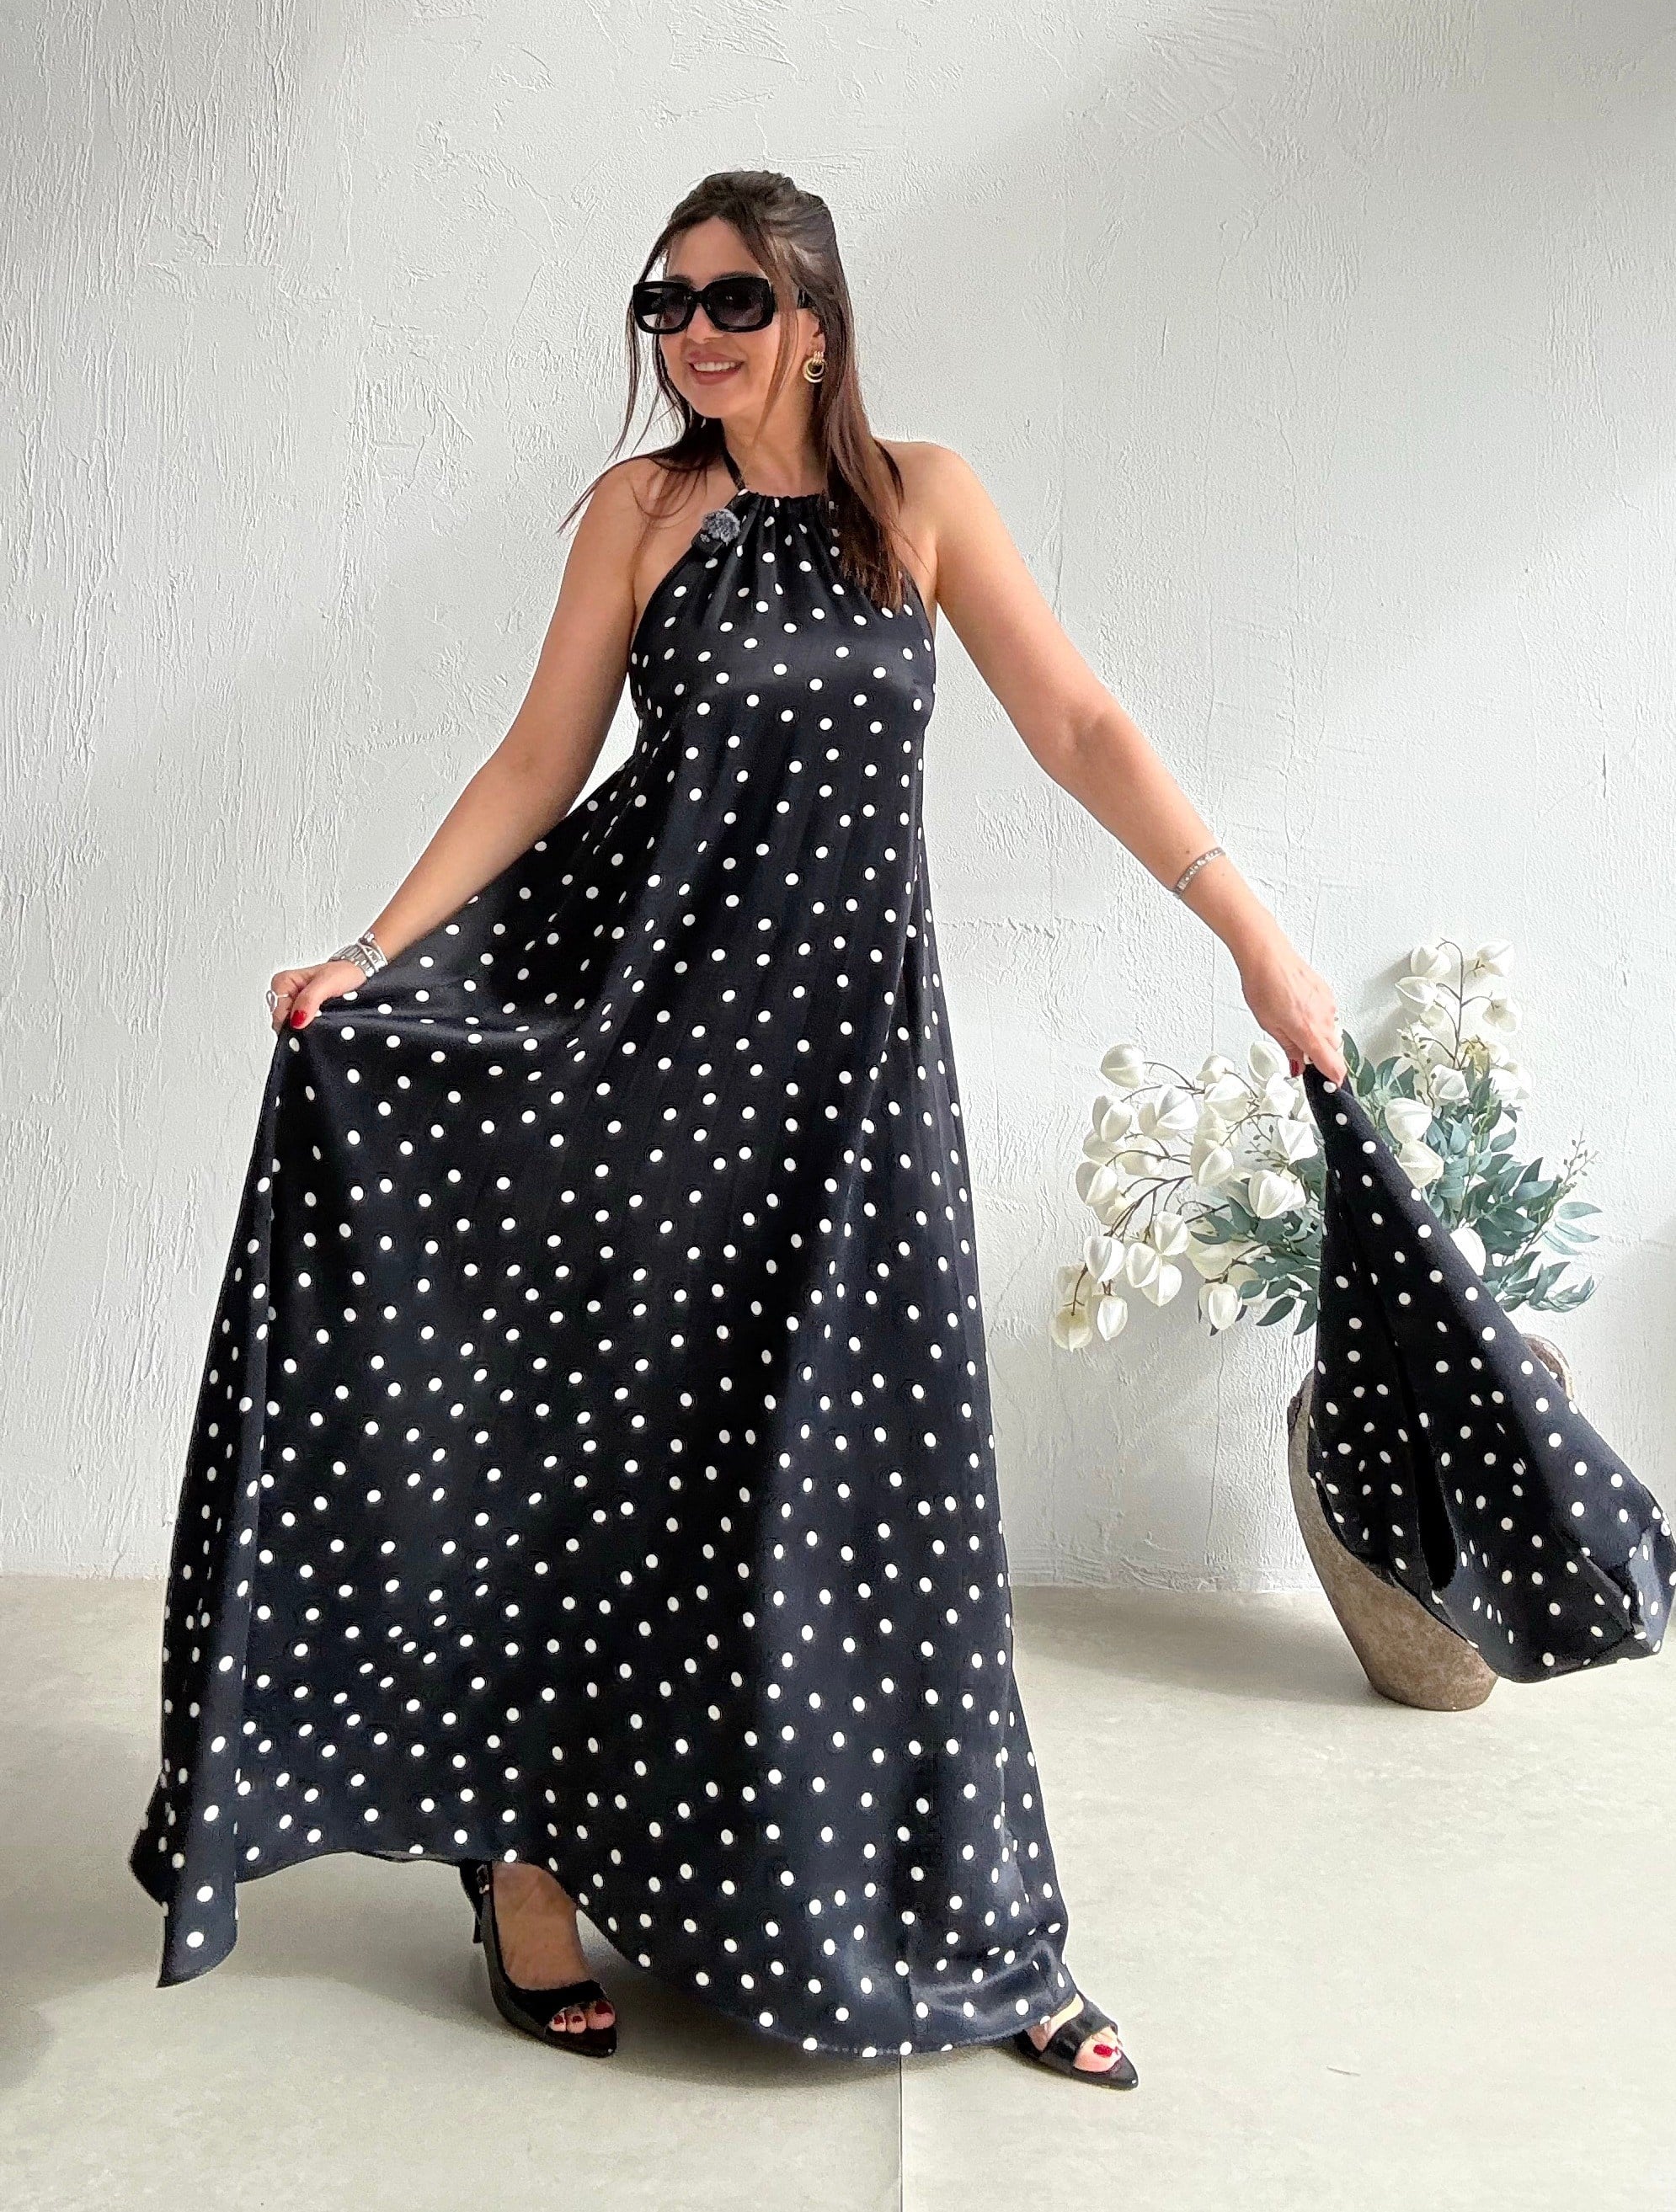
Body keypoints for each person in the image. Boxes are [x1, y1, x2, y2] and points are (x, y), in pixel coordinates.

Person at [131, 168, 1345, 2092]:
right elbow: (539, 762)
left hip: (850, 1078)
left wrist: (1251, 935)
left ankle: (983, 1928)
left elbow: (1079, 723)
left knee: (891, 1492)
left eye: (729, 300)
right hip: (657, 1067)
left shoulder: (921, 501)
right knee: (614, 1469)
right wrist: (368, 951)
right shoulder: (639, 512)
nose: (690, 333)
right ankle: (526, 1864)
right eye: (664, 303)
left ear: (815, 320)